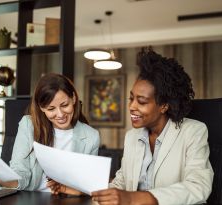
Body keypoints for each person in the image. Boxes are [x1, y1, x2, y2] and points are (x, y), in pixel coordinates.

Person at [91, 47, 214, 205]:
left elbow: (198, 187)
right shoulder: (132, 137)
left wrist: (138, 198)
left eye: (141, 101)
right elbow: (122, 181)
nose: (132, 106)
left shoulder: (193, 132)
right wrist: (95, 194)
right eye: (131, 98)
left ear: (164, 106)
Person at [0, 73, 100, 195]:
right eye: (51, 109)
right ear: (41, 107)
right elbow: (20, 174)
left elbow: (88, 186)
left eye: (65, 105)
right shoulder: (28, 125)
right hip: (30, 198)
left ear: (73, 98)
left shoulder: (91, 136)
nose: (60, 114)